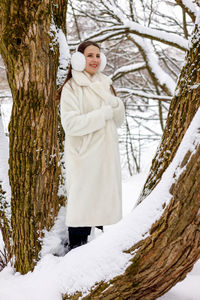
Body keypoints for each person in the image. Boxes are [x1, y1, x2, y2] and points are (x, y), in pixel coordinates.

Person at [59, 40, 125, 250]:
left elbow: (118, 120)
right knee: (82, 213)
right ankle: (75, 258)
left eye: (98, 55)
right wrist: (101, 114)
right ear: (79, 59)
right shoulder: (72, 87)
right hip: (84, 158)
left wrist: (116, 106)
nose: (94, 60)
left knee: (101, 215)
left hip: (106, 158)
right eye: (89, 55)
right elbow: (70, 124)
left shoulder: (106, 83)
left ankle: (97, 266)